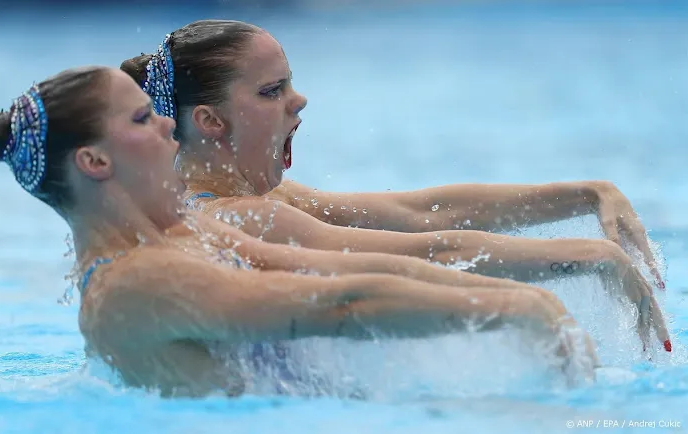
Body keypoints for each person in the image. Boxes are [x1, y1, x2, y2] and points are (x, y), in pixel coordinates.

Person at [0, 66, 601, 398]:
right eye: (142, 118)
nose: (167, 128)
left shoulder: (185, 238)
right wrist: (513, 306)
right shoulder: (135, 286)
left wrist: (526, 298)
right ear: (95, 162)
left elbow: (354, 270)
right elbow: (339, 306)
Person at [120, 20, 671, 352]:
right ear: (211, 122)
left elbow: (420, 211)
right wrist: (586, 257)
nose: (300, 100)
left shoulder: (239, 204)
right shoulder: (246, 220)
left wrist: (587, 194)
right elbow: (435, 250)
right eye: (271, 91)